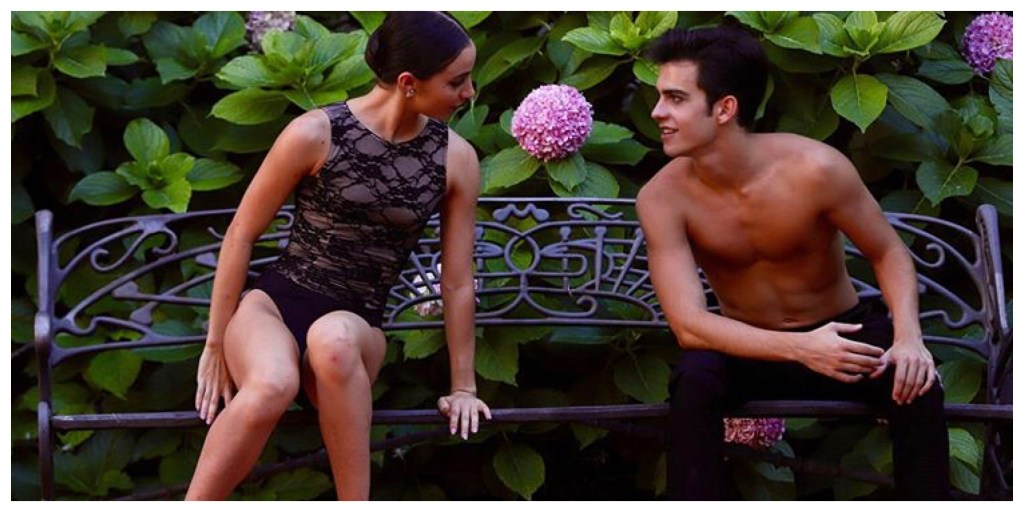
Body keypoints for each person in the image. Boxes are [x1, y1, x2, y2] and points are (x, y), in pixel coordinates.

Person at [186, 12, 491, 500]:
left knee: (333, 340)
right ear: (408, 83)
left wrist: (463, 387)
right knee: (272, 384)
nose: (469, 93)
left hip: (356, 325)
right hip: (273, 308)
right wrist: (216, 343)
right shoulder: (314, 133)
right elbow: (241, 233)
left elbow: (455, 281)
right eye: (457, 81)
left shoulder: (455, 158)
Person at [636, 26, 949, 500]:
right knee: (694, 381)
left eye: (675, 98)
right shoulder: (662, 198)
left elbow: (887, 252)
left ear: (724, 108)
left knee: (916, 380)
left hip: (843, 335)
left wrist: (909, 338)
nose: (657, 112)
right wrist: (800, 348)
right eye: (660, 97)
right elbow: (689, 326)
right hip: (748, 346)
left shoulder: (816, 169)